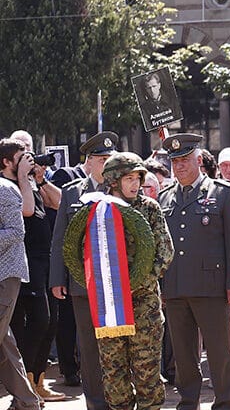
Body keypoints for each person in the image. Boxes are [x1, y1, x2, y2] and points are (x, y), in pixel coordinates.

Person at [71, 152, 175, 410]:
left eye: (138, 178)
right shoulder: (96, 210)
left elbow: (165, 251)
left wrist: (141, 281)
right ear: (114, 181)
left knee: (147, 373)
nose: (135, 184)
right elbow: (84, 253)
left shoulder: (149, 208)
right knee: (114, 374)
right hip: (110, 307)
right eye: (129, 178)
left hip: (144, 306)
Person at [157, 134, 230, 410]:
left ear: (198, 161)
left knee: (219, 350)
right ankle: (188, 400)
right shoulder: (164, 196)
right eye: (174, 161)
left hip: (211, 285)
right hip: (176, 285)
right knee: (183, 352)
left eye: (184, 160)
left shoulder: (222, 192)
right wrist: (161, 285)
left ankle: (227, 401)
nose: (179, 166)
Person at [49, 131, 119, 410]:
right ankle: (96, 402)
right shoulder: (72, 192)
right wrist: (57, 278)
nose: (105, 164)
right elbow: (60, 238)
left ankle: (119, 399)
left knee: (115, 346)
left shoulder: (121, 190)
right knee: (89, 348)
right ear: (88, 162)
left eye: (109, 159)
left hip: (117, 285)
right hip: (82, 283)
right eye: (101, 159)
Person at [0, 139, 44, 410]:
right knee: (5, 343)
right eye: (21, 157)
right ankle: (28, 402)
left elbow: (17, 232)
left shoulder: (5, 190)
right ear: (6, 162)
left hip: (6, 276)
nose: (27, 161)